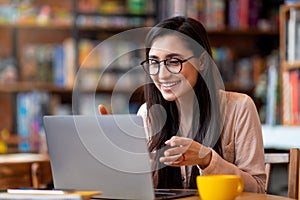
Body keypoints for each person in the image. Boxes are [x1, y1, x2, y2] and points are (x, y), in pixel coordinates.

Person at [98, 16, 265, 193]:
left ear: (202, 62)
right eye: (154, 62)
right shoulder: (147, 113)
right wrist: (121, 160)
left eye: (173, 61)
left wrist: (207, 160)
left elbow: (258, 190)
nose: (162, 75)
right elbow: (140, 191)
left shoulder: (239, 108)